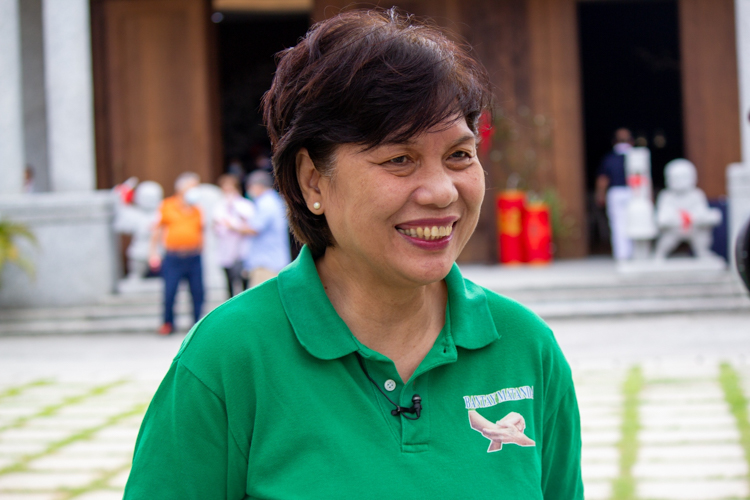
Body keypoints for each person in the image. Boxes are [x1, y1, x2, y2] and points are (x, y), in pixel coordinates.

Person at [125, 9, 582, 499]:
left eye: (459, 155)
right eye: (399, 159)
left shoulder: (525, 348)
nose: (442, 192)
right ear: (312, 180)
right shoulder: (230, 357)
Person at [148, 172, 204, 335]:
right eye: (193, 186)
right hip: (173, 257)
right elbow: (156, 231)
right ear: (182, 189)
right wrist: (153, 253)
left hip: (193, 256)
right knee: (170, 291)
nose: (196, 190)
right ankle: (167, 323)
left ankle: (196, 326)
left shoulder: (197, 209)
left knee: (197, 292)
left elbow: (201, 231)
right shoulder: (167, 206)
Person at [240, 170, 291, 287]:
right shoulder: (273, 200)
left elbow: (254, 228)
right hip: (272, 260)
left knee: (260, 301)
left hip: (266, 263)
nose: (249, 190)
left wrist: (231, 225)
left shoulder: (266, 202)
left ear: (258, 186)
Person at [595, 128, 634, 260]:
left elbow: (602, 180)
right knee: (628, 222)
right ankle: (628, 253)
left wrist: (600, 194)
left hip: (622, 192)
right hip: (627, 192)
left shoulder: (610, 158)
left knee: (620, 224)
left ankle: (623, 254)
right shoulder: (635, 156)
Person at [213, 174, 255, 297]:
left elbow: (250, 224)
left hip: (242, 249)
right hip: (226, 248)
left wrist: (233, 222)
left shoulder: (245, 204)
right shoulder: (219, 205)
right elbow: (217, 225)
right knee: (229, 282)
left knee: (243, 282)